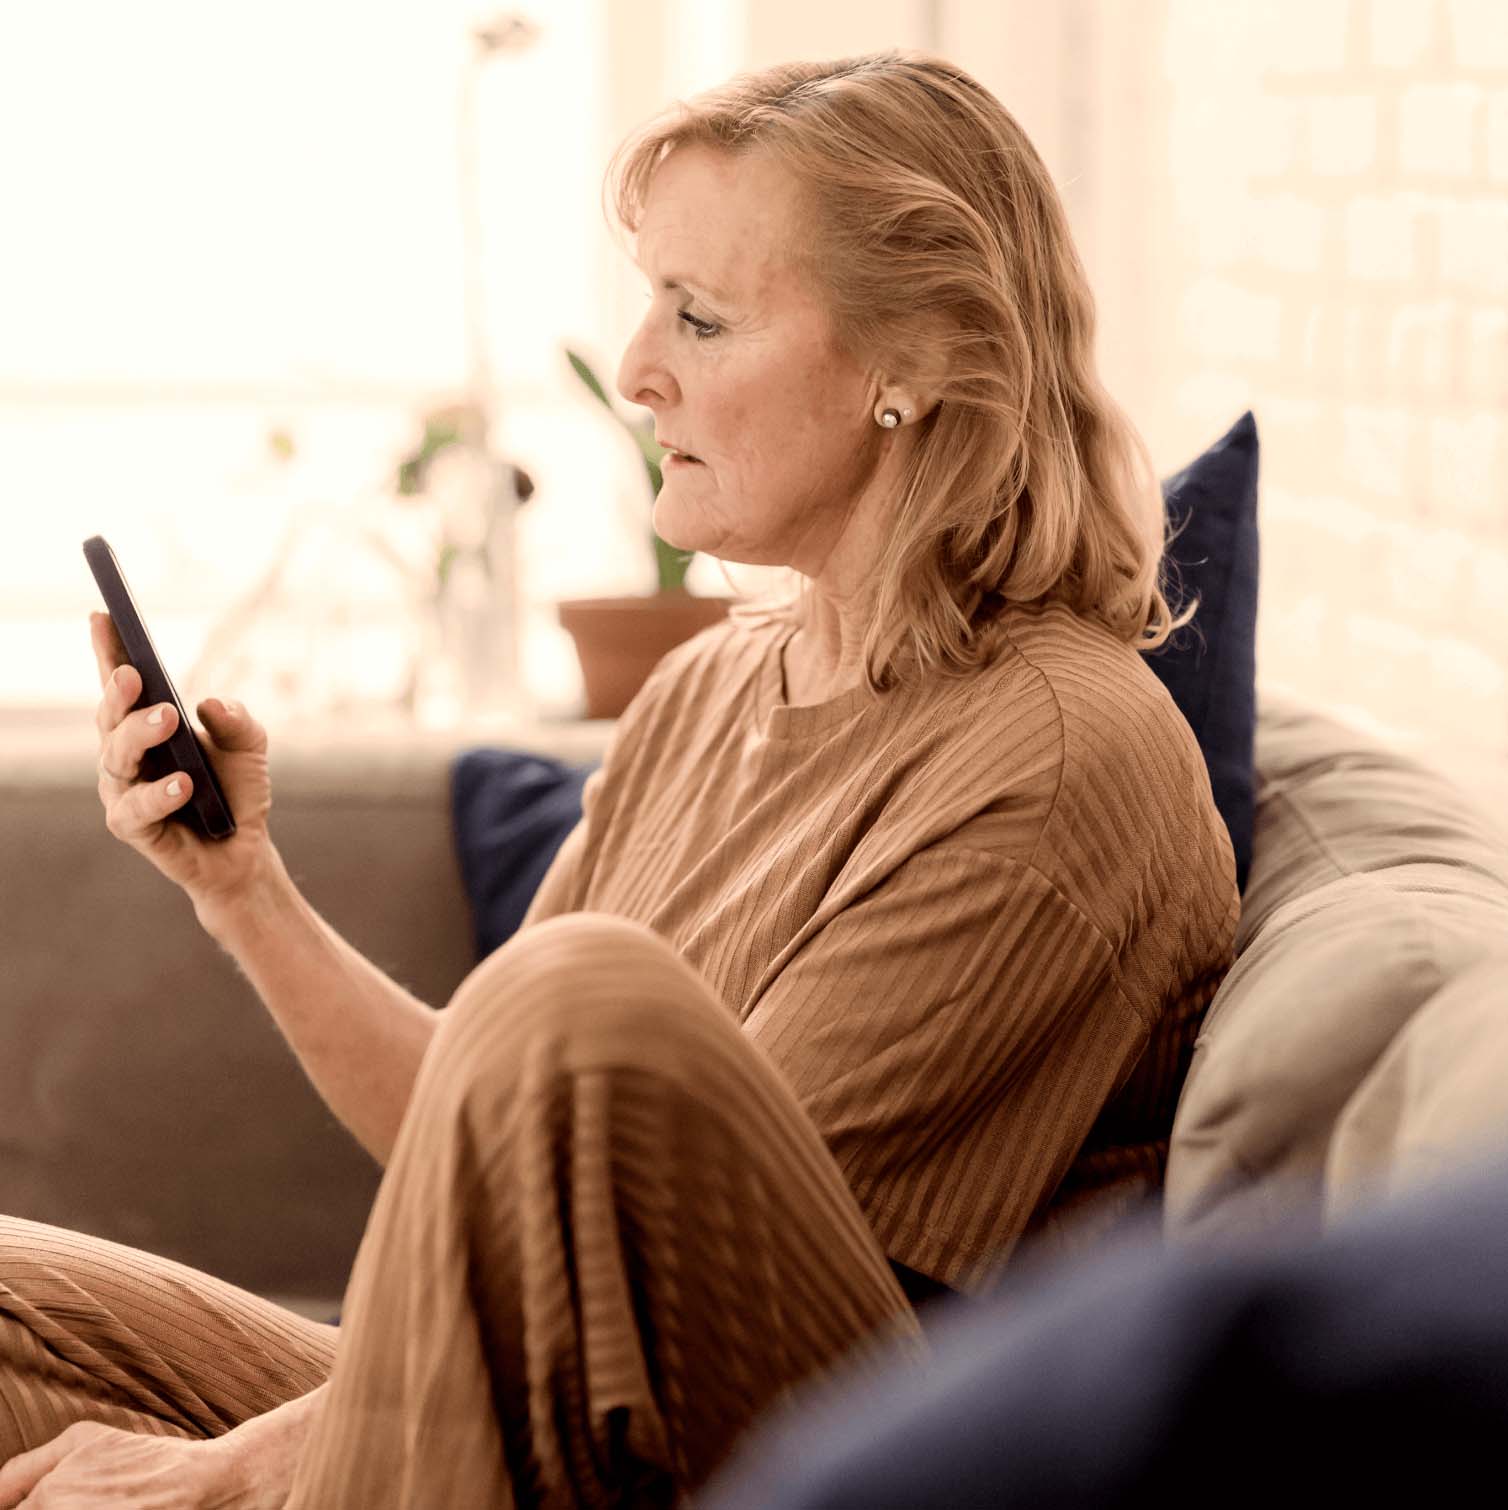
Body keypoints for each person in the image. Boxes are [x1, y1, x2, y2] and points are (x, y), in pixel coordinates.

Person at [0, 49, 1238, 1509]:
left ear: (913, 364)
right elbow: (486, 1134)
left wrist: (218, 1481)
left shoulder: (1057, 760)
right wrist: (243, 888)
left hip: (754, 1458)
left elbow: (656, 1287)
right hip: (542, 1386)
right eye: (650, 298)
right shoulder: (714, 684)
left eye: (700, 317)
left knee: (577, 1003)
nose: (637, 366)